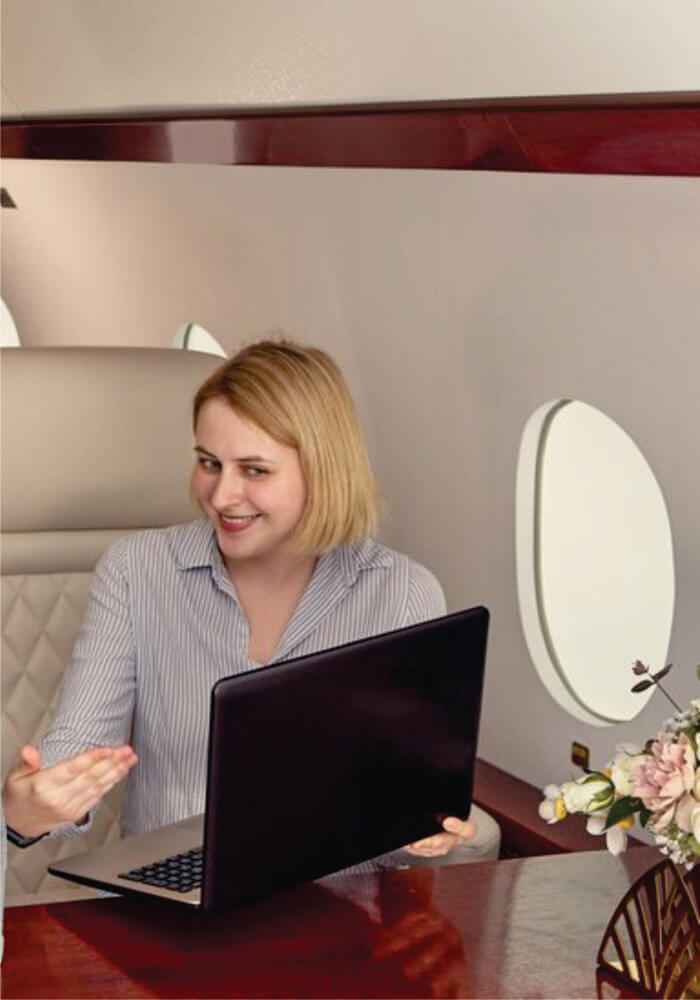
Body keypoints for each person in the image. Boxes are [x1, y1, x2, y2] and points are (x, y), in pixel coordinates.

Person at [3, 339, 475, 868]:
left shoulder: (404, 592)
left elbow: (411, 792)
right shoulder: (137, 570)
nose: (222, 495)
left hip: (340, 912)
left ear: (324, 469)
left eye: (254, 470)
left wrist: (429, 824)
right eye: (209, 463)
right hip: (173, 905)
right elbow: (75, 751)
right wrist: (29, 808)